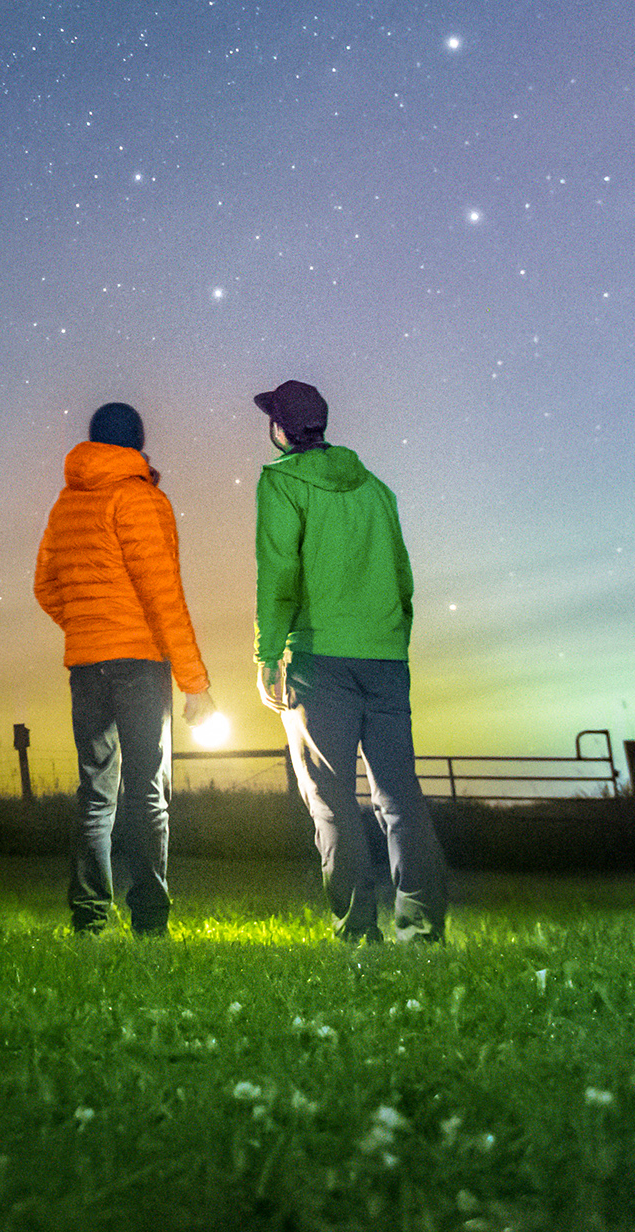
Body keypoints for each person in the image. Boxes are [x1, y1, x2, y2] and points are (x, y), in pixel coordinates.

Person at [252, 378, 448, 945]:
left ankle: (359, 933)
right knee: (400, 797)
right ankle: (422, 931)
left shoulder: (280, 481)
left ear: (281, 429)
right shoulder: (377, 489)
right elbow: (404, 579)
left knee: (331, 799)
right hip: (385, 658)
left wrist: (268, 654)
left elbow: (279, 575)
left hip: (320, 659)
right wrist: (392, 640)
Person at [33, 401, 215, 938]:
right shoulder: (140, 497)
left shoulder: (66, 503)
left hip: (86, 666)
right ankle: (150, 922)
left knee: (95, 794)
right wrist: (195, 682)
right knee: (147, 794)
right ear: (138, 443)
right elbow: (163, 594)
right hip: (139, 663)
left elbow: (45, 587)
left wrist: (88, 627)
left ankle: (89, 919)